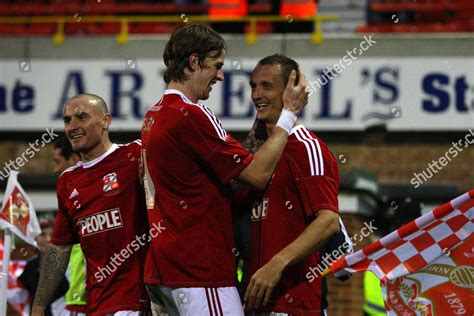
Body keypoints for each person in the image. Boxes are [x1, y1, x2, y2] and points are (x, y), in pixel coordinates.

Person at [140, 24, 308, 315]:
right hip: (199, 273)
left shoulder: (154, 115)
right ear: (194, 62)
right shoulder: (192, 114)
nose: (220, 75)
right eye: (216, 65)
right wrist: (289, 115)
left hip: (163, 271)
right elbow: (256, 176)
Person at [32, 94, 150, 316]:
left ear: (106, 121)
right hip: (96, 306)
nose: (72, 126)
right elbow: (59, 248)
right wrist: (38, 308)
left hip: (139, 302)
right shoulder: (67, 181)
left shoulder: (135, 155)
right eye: (67, 120)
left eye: (81, 117)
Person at [242, 54, 342, 315]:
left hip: (293, 304)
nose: (255, 95)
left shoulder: (307, 148)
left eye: (266, 86)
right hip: (255, 304)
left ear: (290, 90)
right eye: (253, 86)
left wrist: (278, 263)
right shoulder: (259, 156)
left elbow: (328, 220)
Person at [53, 137, 88, 316]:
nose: (55, 169)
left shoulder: (88, 197)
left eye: (58, 162)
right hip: (84, 297)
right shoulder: (67, 197)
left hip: (85, 298)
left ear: (73, 159)